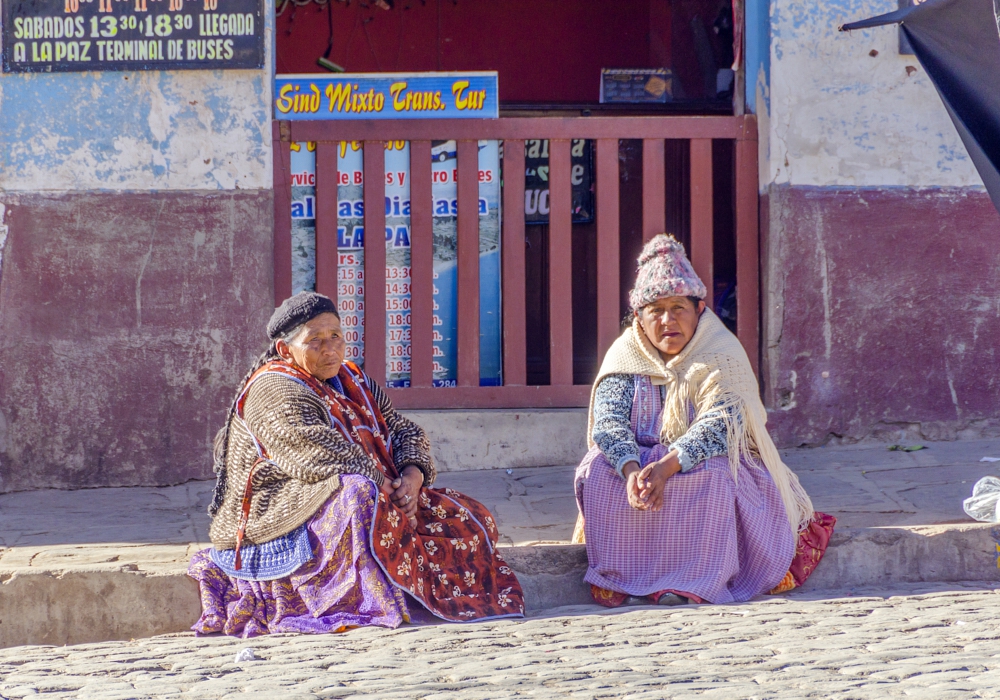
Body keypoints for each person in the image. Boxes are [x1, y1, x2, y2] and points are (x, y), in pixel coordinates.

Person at [189, 292, 523, 636]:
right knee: (359, 494)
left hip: (374, 486)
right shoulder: (273, 387)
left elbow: (402, 429)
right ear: (285, 350)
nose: (330, 348)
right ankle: (355, 596)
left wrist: (412, 477)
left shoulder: (352, 379)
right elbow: (319, 455)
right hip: (278, 508)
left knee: (466, 516)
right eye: (315, 340)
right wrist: (389, 489)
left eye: (336, 336)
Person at [574, 234, 835, 607]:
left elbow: (721, 424)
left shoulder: (720, 352)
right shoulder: (624, 357)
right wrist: (632, 470)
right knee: (598, 470)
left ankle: (695, 580)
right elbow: (609, 423)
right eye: (656, 310)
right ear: (639, 319)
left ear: (699, 310)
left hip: (700, 460)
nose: (668, 321)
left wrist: (666, 467)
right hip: (638, 460)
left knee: (713, 477)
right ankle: (624, 576)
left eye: (679, 307)